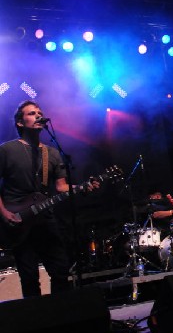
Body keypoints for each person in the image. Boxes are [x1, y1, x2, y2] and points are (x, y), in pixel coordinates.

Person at [0, 100, 99, 297]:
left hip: (45, 219)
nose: (37, 115)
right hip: (17, 220)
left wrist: (82, 187)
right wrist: (4, 213)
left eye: (39, 112)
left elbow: (61, 187)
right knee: (29, 277)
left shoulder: (52, 153)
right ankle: (37, 322)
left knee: (61, 271)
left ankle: (60, 316)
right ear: (20, 122)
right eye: (31, 113)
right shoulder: (6, 150)